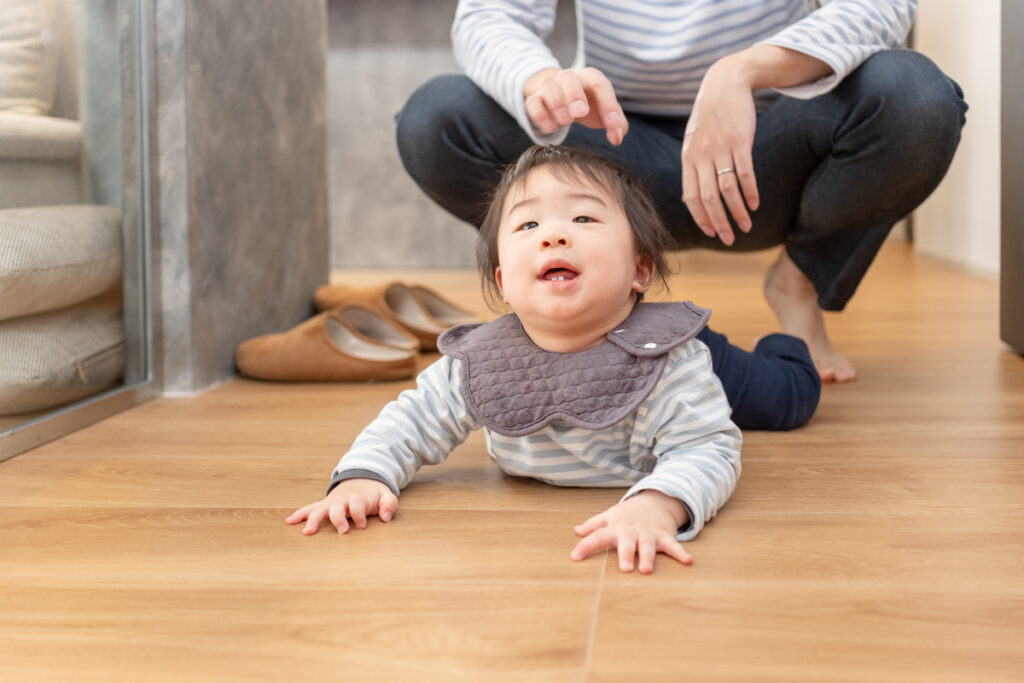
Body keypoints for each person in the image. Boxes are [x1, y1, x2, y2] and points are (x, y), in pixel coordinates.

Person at [288, 146, 817, 573]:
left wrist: (657, 504)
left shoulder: (678, 366)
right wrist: (364, 476)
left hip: (664, 346)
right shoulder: (481, 361)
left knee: (785, 400)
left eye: (584, 217)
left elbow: (706, 447)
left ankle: (787, 344)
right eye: (526, 227)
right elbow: (411, 420)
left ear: (641, 270)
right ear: (503, 283)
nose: (554, 234)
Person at [395, 0, 968, 383]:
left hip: (765, 152)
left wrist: (743, 71)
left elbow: (878, 5)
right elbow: (490, 15)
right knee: (437, 117)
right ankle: (581, 316)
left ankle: (800, 281)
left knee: (917, 99)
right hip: (611, 156)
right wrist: (542, 81)